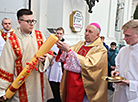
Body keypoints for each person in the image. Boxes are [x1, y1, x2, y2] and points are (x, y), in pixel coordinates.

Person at [0, 9, 53, 102]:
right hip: (21, 86)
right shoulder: (12, 40)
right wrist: (2, 89)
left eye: (33, 21)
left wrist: (44, 60)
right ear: (19, 22)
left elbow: (49, 53)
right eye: (28, 21)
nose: (31, 24)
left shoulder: (39, 35)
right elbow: (6, 65)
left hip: (38, 82)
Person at [55, 23, 107, 102]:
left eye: (90, 32)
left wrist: (68, 51)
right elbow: (68, 52)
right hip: (71, 81)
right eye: (86, 31)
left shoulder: (100, 49)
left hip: (85, 84)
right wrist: (62, 48)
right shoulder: (80, 44)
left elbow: (90, 65)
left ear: (97, 35)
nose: (86, 33)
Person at [111, 19, 138, 102]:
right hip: (120, 93)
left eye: (128, 35)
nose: (124, 38)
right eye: (124, 35)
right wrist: (117, 72)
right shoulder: (123, 50)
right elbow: (118, 67)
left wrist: (130, 83)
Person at [46, 27, 71, 102]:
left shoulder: (67, 44)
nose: (59, 35)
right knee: (51, 85)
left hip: (60, 67)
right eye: (57, 33)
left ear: (63, 34)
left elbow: (69, 55)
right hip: (52, 66)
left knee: (59, 86)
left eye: (60, 33)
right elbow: (47, 52)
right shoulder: (51, 43)